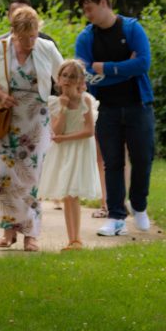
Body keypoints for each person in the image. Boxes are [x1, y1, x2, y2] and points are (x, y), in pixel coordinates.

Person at [75, 0, 155, 237]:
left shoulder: (132, 28)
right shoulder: (86, 37)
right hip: (106, 110)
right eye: (84, 11)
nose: (87, 15)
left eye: (90, 9)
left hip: (137, 107)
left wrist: (106, 68)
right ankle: (116, 216)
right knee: (112, 163)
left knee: (143, 158)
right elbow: (85, 77)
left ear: (103, 3)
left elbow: (143, 64)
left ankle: (139, 206)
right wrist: (124, 68)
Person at [0, 5, 63, 252]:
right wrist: (1, 96)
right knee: (6, 177)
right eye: (25, 36)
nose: (30, 40)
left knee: (31, 177)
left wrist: (69, 101)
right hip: (8, 118)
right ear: (14, 32)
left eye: (34, 34)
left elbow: (63, 76)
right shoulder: (0, 49)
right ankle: (8, 231)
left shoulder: (46, 48)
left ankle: (31, 234)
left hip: (36, 119)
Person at [39, 60, 100, 250]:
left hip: (79, 148)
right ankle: (71, 239)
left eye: (72, 77)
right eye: (64, 76)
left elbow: (89, 131)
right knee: (66, 194)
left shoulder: (85, 100)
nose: (67, 80)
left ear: (80, 81)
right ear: (58, 79)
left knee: (73, 193)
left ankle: (77, 239)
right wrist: (63, 108)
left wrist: (65, 139)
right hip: (64, 151)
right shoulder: (55, 102)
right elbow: (56, 130)